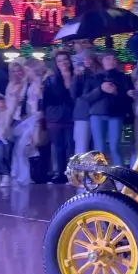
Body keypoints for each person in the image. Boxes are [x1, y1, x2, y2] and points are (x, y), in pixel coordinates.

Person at [85, 51, 134, 166]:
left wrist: (117, 92)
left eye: (113, 59)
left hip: (116, 114)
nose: (111, 61)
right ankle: (98, 175)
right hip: (97, 114)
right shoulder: (94, 77)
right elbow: (86, 97)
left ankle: (120, 177)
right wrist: (101, 90)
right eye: (108, 58)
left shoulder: (124, 78)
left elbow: (129, 98)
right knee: (99, 147)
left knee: (115, 146)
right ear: (102, 61)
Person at [10, 58, 45, 186]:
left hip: (34, 119)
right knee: (20, 148)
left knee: (22, 148)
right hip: (28, 119)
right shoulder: (28, 83)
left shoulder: (38, 83)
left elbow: (39, 103)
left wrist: (37, 122)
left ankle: (24, 177)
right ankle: (22, 175)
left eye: (26, 70)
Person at [42, 51, 75, 183]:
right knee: (59, 146)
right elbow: (47, 99)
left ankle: (71, 174)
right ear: (56, 63)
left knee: (71, 145)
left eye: (65, 59)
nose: (63, 63)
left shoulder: (76, 75)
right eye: (60, 60)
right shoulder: (51, 79)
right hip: (55, 116)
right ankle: (60, 173)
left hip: (72, 115)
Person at [71, 51, 100, 156]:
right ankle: (79, 172)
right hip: (83, 115)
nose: (87, 61)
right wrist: (77, 78)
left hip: (100, 114)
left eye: (89, 58)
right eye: (84, 59)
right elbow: (75, 94)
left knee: (98, 150)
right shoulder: (80, 75)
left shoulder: (102, 74)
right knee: (81, 149)